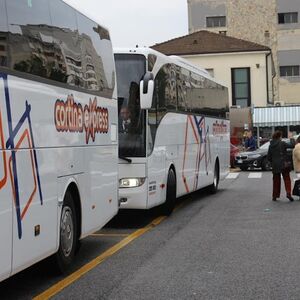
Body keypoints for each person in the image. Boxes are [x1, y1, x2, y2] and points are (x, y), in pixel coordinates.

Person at [267, 131, 295, 202]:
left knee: (276, 180)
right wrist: (291, 137)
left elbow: (269, 157)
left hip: (275, 165)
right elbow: (292, 145)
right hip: (283, 164)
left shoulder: (271, 145)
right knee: (287, 179)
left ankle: (275, 195)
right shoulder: (282, 143)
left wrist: (273, 162)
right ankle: (288, 193)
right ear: (279, 137)